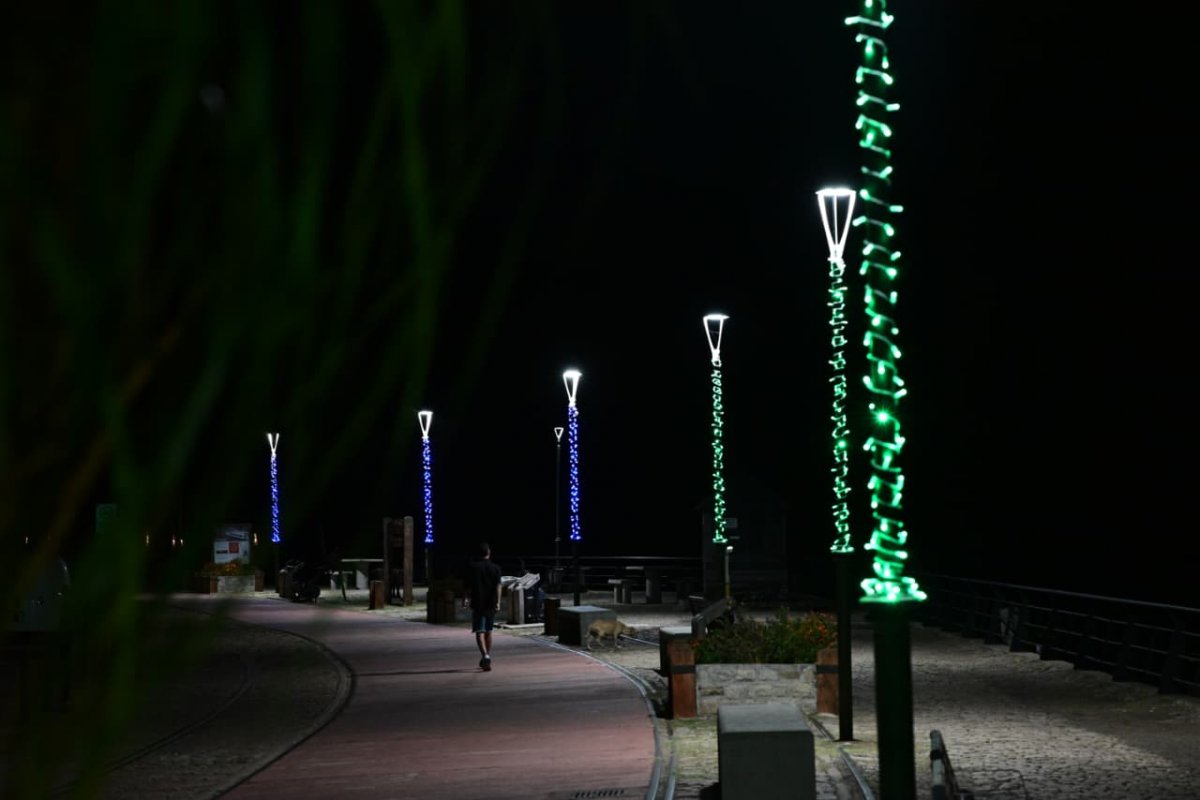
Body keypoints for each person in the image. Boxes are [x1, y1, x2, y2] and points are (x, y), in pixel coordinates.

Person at [463, 541, 502, 670]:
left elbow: (468, 586)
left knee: (479, 631)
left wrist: (465, 599)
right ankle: (487, 655)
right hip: (491, 603)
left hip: (478, 602)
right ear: (488, 553)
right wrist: (498, 602)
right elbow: (498, 586)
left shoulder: (473, 568)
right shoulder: (496, 568)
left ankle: (485, 655)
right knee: (489, 631)